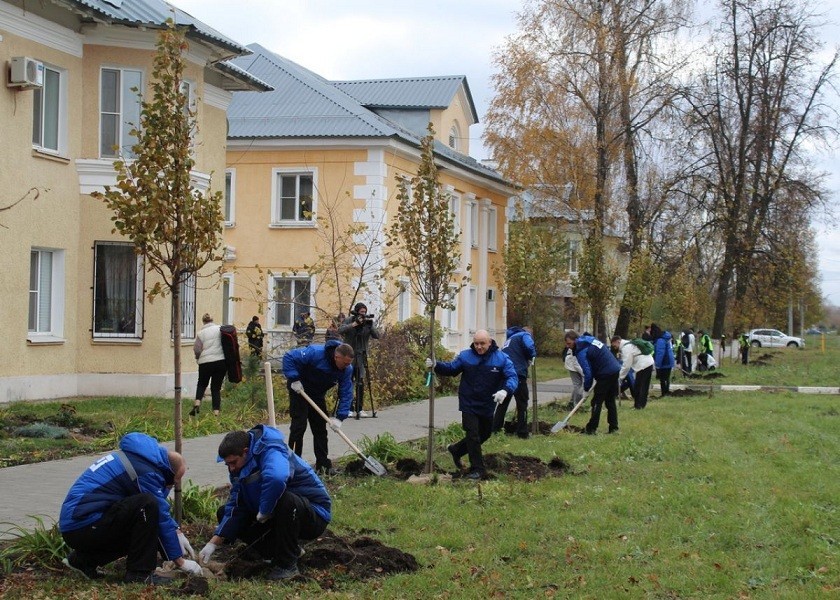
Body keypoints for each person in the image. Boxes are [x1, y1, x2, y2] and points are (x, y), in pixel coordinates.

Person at [59, 432, 201, 585]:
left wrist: (176, 531)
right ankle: (139, 574)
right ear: (168, 473)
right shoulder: (145, 472)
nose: (173, 486)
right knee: (147, 504)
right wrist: (181, 562)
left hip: (80, 525)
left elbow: (155, 518)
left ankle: (82, 561)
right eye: (174, 481)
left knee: (142, 526)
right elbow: (157, 510)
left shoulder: (140, 459)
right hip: (83, 524)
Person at [198, 425, 331, 581]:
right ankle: (278, 552)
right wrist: (214, 542)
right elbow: (236, 504)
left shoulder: (271, 450)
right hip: (277, 514)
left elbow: (276, 478)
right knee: (224, 512)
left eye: (233, 462)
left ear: (246, 452)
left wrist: (265, 510)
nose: (231, 468)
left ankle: (287, 565)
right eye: (228, 464)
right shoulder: (238, 468)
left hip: (313, 514)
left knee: (286, 501)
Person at [428, 330, 517, 480]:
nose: (479, 347)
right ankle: (477, 469)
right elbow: (451, 369)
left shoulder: (501, 358)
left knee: (485, 433)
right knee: (473, 435)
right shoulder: (466, 356)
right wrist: (436, 365)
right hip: (468, 402)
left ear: (490, 342)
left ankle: (456, 450)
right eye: (476, 343)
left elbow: (512, 376)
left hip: (487, 403)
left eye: (482, 343)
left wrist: (505, 390)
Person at [282, 340, 354, 474]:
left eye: (349, 364)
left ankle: (323, 466)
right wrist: (293, 378)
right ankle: (294, 465)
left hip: (317, 394)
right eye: (345, 363)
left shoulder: (346, 369)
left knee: (320, 429)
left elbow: (346, 392)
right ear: (336, 357)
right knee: (299, 426)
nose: (346, 366)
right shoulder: (315, 353)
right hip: (299, 389)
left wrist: (339, 418)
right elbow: (289, 357)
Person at [567, 331, 621, 435]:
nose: (568, 346)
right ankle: (614, 428)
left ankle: (591, 429)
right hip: (614, 369)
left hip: (606, 373)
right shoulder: (590, 340)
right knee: (610, 401)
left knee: (596, 402)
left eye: (569, 343)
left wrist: (586, 389)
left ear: (576, 340)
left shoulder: (581, 350)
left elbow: (588, 373)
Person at [492, 325, 537, 438]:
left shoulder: (509, 340)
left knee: (503, 402)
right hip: (517, 374)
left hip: (504, 373)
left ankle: (495, 429)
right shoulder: (524, 335)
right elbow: (530, 347)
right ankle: (522, 432)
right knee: (522, 403)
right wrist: (533, 355)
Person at [338, 303, 381, 417]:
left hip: (361, 356)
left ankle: (359, 408)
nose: (363, 314)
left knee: (360, 382)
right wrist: (354, 324)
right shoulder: (349, 320)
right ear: (356, 312)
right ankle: (349, 408)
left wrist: (370, 325)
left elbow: (377, 335)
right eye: (361, 312)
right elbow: (340, 330)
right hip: (348, 356)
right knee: (348, 381)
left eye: (364, 312)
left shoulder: (367, 323)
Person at [191, 313, 226, 416]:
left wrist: (198, 358)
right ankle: (216, 412)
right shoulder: (220, 329)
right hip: (220, 362)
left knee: (201, 383)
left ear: (203, 321)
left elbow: (197, 349)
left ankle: (197, 404)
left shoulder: (201, 333)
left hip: (205, 363)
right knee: (216, 388)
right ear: (212, 320)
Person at [612, 336, 655, 410]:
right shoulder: (627, 345)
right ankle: (637, 405)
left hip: (645, 365)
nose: (615, 347)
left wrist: (620, 377)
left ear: (618, 341)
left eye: (614, 345)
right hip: (643, 365)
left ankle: (640, 406)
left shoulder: (626, 348)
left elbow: (626, 365)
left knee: (642, 387)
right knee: (637, 386)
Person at [562, 333, 585, 411]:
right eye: (567, 343)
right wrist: (584, 374)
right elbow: (576, 364)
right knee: (577, 385)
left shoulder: (580, 345)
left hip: (576, 364)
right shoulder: (573, 349)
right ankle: (576, 406)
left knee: (580, 385)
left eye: (569, 343)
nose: (568, 345)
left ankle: (572, 402)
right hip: (572, 365)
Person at [651, 323, 675, 396]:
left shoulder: (660, 340)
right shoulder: (665, 338)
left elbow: (660, 353)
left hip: (664, 361)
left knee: (662, 378)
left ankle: (664, 393)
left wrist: (657, 364)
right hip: (668, 360)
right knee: (666, 378)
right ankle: (666, 392)